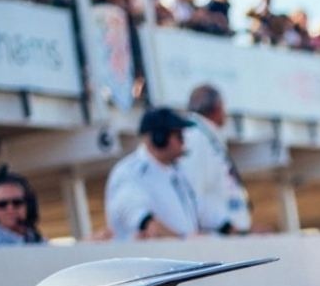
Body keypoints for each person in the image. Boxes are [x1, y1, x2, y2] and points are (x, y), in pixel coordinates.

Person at [105, 108, 203, 239]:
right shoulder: (130, 173)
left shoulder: (177, 171)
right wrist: (184, 240)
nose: (183, 142)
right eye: (179, 137)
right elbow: (144, 222)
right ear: (159, 138)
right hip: (152, 251)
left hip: (183, 250)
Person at [180, 85, 252, 234]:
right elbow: (193, 193)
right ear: (218, 107)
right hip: (217, 235)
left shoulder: (206, 135)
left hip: (228, 234)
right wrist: (225, 227)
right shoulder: (194, 137)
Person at [0, 166, 43, 245]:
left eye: (17, 202)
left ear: (29, 205)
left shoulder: (40, 241)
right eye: (2, 204)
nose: (10, 209)